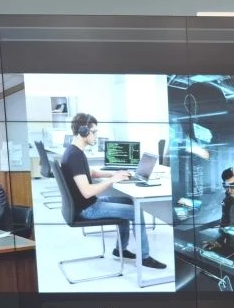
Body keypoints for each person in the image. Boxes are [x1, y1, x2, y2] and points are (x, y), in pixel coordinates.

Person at [60, 112, 166, 270]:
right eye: (94, 132)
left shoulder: (73, 151)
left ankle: (120, 249)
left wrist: (113, 174)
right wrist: (112, 180)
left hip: (86, 204)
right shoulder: (74, 156)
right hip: (88, 209)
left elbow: (90, 173)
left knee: (128, 202)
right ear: (83, 132)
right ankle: (145, 257)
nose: (96, 136)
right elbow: (87, 192)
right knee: (136, 211)